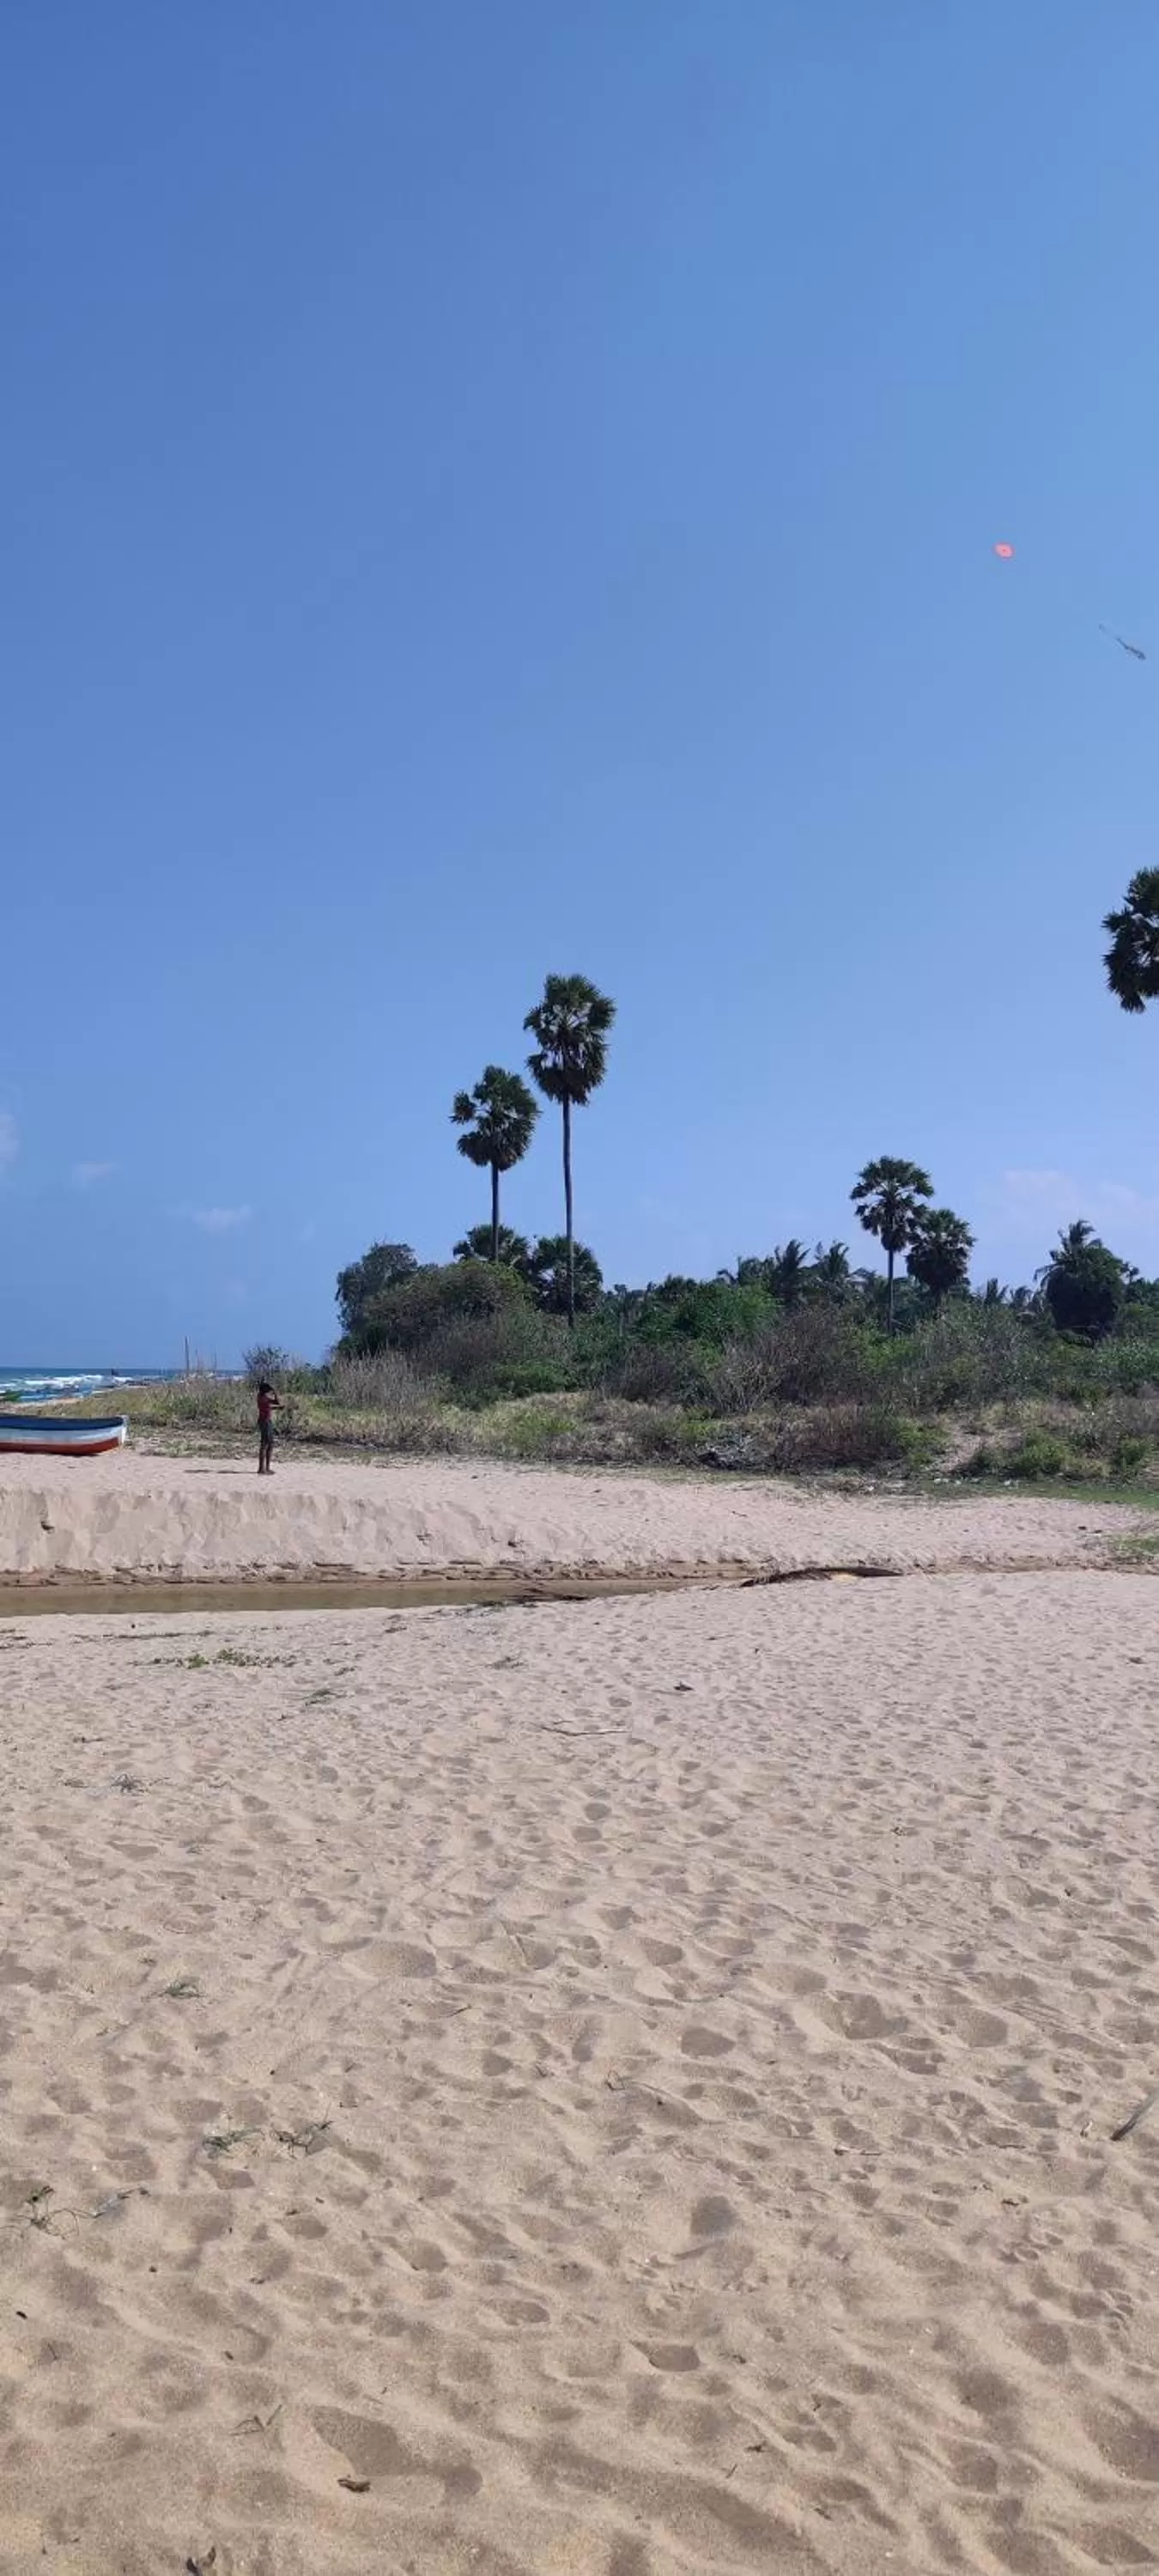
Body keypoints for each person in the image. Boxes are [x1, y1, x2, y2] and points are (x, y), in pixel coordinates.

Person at [256, 1377, 279, 1475]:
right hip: (265, 1422)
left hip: (264, 1421)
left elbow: (268, 1407)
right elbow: (276, 1402)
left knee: (266, 1444)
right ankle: (263, 1468)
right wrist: (275, 1392)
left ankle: (264, 1468)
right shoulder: (264, 1398)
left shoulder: (260, 1396)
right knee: (266, 1444)